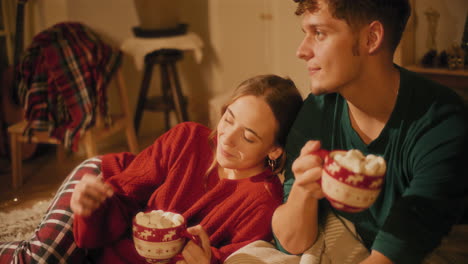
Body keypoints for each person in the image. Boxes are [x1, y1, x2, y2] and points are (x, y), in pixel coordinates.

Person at [270, 0, 468, 264]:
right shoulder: (317, 110)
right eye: (305, 34)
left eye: (319, 33)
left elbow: (395, 253)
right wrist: (303, 190)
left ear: (371, 38)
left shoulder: (441, 122)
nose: (301, 51)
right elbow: (291, 242)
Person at [69, 74, 303, 264]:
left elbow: (234, 258)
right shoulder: (187, 137)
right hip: (100, 182)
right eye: (229, 119)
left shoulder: (263, 203)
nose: (227, 139)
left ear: (274, 150)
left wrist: (209, 261)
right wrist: (91, 207)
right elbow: (122, 195)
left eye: (249, 137)